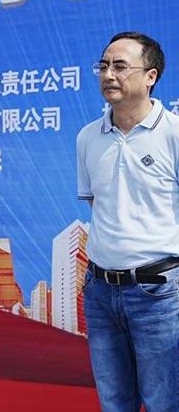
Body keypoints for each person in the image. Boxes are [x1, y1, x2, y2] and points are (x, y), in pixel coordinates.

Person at [77, 31, 179, 412]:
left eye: (120, 66)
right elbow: (99, 205)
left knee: (164, 403)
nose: (109, 75)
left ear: (151, 76)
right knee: (114, 403)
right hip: (101, 292)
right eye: (103, 66)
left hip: (160, 294)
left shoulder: (173, 134)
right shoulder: (88, 138)